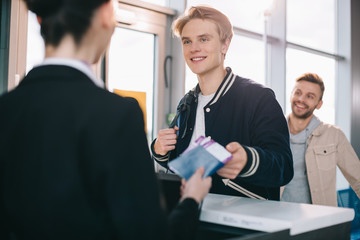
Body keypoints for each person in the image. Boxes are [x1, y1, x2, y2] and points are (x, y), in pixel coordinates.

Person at [0, 0, 212, 239]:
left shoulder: (6, 108)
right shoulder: (118, 114)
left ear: (40, 19)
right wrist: (191, 200)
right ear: (105, 14)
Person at [151, 5, 294, 201]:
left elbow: (284, 167)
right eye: (187, 41)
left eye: (203, 39)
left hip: (244, 225)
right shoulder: (187, 103)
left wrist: (248, 160)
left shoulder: (259, 98)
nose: (194, 48)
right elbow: (180, 163)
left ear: (225, 44)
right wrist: (160, 150)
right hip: (192, 217)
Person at [281, 73, 360, 206]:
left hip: (319, 220)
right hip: (276, 217)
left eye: (310, 96)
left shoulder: (334, 135)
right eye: (298, 92)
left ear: (319, 104)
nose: (301, 99)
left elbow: (357, 178)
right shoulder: (272, 131)